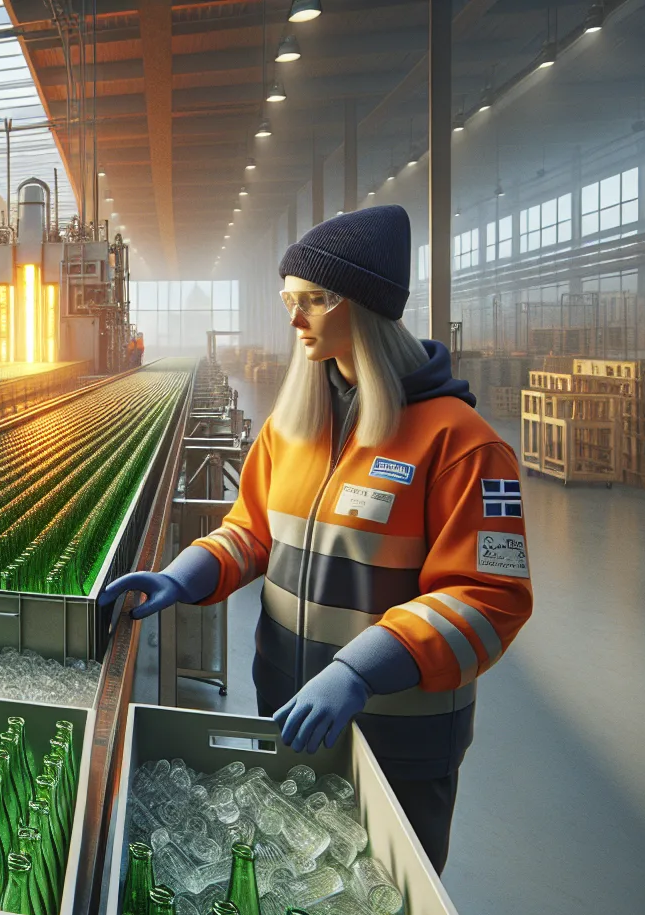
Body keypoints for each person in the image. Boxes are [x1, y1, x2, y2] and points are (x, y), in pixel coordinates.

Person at [99, 205, 532, 872]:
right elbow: (253, 531)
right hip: (292, 717)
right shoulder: (294, 428)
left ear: (363, 304)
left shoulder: (461, 444)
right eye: (289, 302)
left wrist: (360, 671)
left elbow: (489, 598)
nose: (295, 320)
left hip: (396, 740)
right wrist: (186, 573)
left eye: (313, 301)